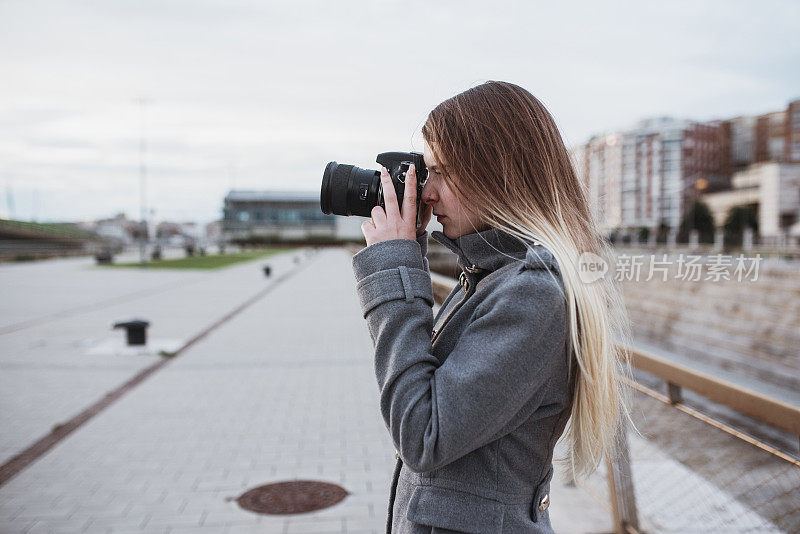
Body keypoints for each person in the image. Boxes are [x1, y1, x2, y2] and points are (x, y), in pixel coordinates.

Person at [351, 80, 634, 534]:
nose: (426, 192)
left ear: (496, 174)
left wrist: (395, 269)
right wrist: (408, 254)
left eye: (441, 172)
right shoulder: (489, 276)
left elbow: (423, 435)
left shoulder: (532, 293)